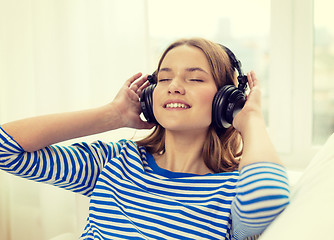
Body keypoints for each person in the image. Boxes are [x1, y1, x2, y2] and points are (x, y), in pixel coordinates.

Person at [0, 38, 289, 240]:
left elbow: (267, 198)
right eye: (164, 79)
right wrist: (112, 115)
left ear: (226, 101)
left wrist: (249, 119)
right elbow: (5, 148)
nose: (174, 86)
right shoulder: (113, 161)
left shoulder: (230, 190)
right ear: (150, 97)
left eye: (195, 78)